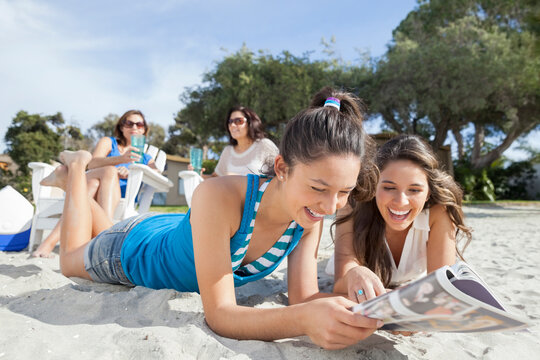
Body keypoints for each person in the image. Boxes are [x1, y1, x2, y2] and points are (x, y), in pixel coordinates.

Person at [42, 87, 383, 349]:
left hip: (176, 235)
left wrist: (371, 304)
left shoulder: (307, 216)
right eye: (319, 187)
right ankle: (75, 168)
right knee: (70, 260)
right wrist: (303, 321)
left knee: (110, 232)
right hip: (132, 252)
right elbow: (220, 315)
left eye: (344, 192)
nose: (330, 205)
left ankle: (82, 190)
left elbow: (304, 299)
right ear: (281, 168)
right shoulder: (220, 196)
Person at [331, 134, 472, 303]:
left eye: (414, 190)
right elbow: (339, 285)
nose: (401, 202)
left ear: (428, 193)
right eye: (389, 187)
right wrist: (355, 272)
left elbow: (441, 288)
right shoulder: (353, 205)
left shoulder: (439, 212)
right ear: (374, 184)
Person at [32, 110, 158, 257]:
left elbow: (157, 173)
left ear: (144, 129)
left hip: (109, 193)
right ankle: (104, 234)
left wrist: (135, 172)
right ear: (121, 127)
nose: (134, 127)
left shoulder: (145, 157)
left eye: (139, 124)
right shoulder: (108, 142)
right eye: (129, 123)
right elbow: (92, 163)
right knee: (109, 172)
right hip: (97, 185)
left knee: (93, 185)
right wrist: (120, 159)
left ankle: (49, 241)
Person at [190, 106, 279, 177]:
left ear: (250, 123)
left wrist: (235, 179)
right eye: (230, 121)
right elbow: (215, 178)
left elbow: (281, 174)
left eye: (238, 121)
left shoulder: (264, 145)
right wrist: (197, 174)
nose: (232, 125)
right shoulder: (228, 151)